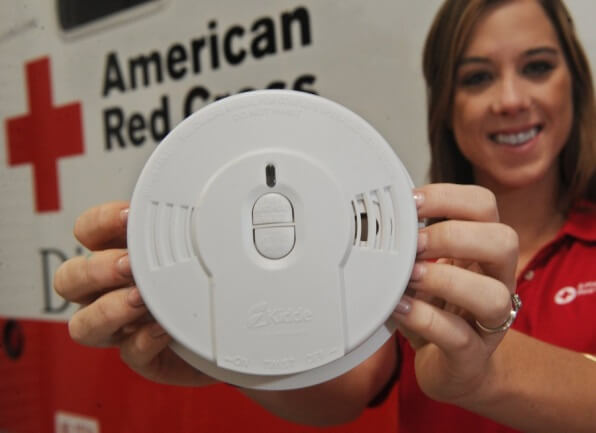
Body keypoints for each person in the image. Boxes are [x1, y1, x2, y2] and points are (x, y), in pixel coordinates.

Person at [54, 0, 596, 431]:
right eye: (477, 77)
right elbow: (344, 388)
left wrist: (482, 373)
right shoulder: (402, 248)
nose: (510, 99)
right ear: (446, 107)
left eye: (537, 67)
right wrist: (225, 350)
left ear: (575, 79)